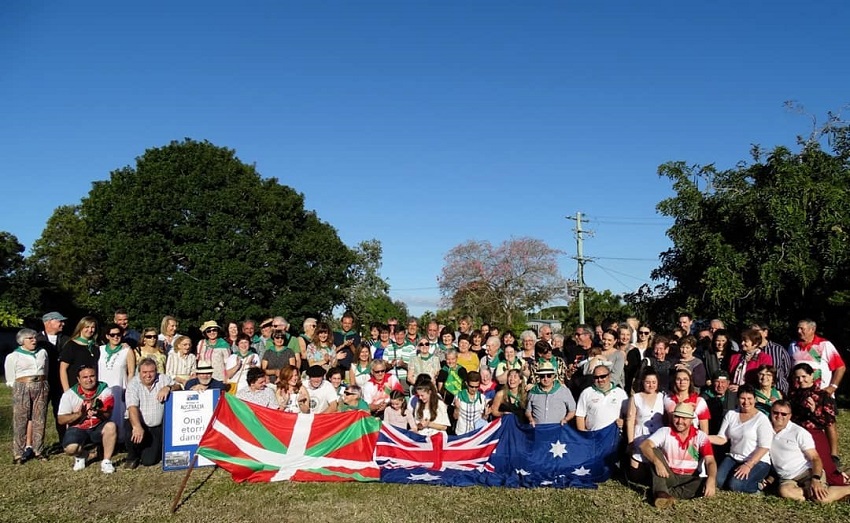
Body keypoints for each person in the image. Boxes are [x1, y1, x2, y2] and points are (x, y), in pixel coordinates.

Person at [788, 319, 846, 464]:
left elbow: (840, 367)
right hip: (800, 392)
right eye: (798, 328)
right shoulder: (793, 346)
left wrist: (833, 386)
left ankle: (833, 454)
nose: (799, 331)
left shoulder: (824, 345)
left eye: (802, 329)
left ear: (812, 329)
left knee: (828, 423)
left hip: (822, 393)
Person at [769, 399, 850, 503]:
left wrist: (815, 479)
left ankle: (846, 489)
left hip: (807, 472)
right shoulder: (766, 430)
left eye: (784, 414)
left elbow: (815, 458)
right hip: (787, 478)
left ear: (789, 416)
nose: (779, 416)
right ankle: (812, 494)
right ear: (771, 412)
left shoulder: (799, 432)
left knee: (821, 499)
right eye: (775, 413)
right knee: (784, 492)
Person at [639, 402, 717, 508]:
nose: (680, 422)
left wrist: (711, 479)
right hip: (668, 474)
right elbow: (644, 446)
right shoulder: (665, 431)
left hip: (689, 476)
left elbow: (710, 461)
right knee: (654, 452)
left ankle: (663, 493)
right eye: (677, 417)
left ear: (691, 420)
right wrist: (657, 462)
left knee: (706, 483)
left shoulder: (701, 436)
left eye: (684, 418)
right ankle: (662, 492)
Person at [787, 363, 848, 486]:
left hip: (814, 433)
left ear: (811, 376)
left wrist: (814, 411)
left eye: (804, 376)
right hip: (796, 434)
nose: (801, 380)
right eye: (797, 378)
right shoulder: (793, 395)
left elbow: (828, 422)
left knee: (828, 471)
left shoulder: (822, 395)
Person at [708, 385, 772, 493]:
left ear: (755, 399)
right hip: (734, 457)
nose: (746, 402)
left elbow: (764, 447)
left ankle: (759, 485)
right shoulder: (731, 414)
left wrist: (748, 465)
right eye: (743, 398)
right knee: (718, 482)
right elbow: (722, 438)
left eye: (749, 399)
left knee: (735, 485)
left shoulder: (762, 419)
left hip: (757, 461)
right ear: (738, 399)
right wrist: (702, 437)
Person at [57, 364, 117, 473]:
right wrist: (79, 415)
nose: (89, 380)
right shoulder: (69, 395)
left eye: (92, 376)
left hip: (97, 426)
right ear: (78, 379)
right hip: (77, 427)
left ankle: (106, 461)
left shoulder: (105, 391)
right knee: (70, 449)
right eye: (85, 377)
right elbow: (61, 419)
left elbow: (108, 414)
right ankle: (82, 455)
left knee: (111, 426)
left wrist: (98, 413)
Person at [124, 358, 181, 468]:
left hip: (156, 426)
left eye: (151, 372)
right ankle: (133, 456)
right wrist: (137, 426)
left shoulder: (163, 379)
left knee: (149, 461)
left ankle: (147, 451)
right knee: (131, 431)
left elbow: (179, 387)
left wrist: (168, 387)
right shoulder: (133, 384)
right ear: (139, 372)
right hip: (138, 422)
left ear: (156, 371)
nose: (148, 375)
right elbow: (132, 407)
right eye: (144, 372)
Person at [5, 328, 49, 463]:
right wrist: (19, 388)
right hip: (23, 387)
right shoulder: (13, 356)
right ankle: (19, 452)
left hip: (41, 385)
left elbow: (45, 369)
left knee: (39, 418)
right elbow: (10, 377)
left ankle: (38, 449)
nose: (33, 340)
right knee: (21, 420)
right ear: (22, 341)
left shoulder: (42, 352)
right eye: (30, 338)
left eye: (34, 337)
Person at [625, 368, 665, 485]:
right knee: (636, 477)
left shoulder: (662, 397)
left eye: (654, 382)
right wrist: (631, 442)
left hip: (657, 435)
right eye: (648, 382)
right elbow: (630, 420)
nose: (651, 385)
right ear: (642, 382)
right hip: (640, 434)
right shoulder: (635, 398)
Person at [36, 311, 70, 444]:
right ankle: (36, 444)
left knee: (61, 412)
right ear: (48, 322)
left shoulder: (66, 339)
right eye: (59, 321)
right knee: (38, 414)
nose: (63, 323)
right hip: (42, 382)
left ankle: (64, 440)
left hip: (60, 382)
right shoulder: (36, 340)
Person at [98, 323, 135, 440]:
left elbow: (131, 372)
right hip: (102, 389)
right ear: (107, 336)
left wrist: (128, 390)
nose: (116, 337)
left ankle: (119, 440)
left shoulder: (127, 351)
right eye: (112, 335)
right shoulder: (100, 350)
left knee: (118, 413)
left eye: (118, 334)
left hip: (120, 388)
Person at [575, 362, 628, 431]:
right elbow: (580, 415)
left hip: (614, 435)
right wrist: (583, 434)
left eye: (603, 376)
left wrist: (623, 422)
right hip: (593, 436)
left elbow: (628, 415)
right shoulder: (586, 392)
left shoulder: (620, 393)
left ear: (609, 376)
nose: (600, 380)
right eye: (596, 377)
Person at [526, 362, 577, 427]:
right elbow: (528, 411)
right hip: (539, 430)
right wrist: (531, 419)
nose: (546, 379)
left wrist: (565, 419)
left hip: (558, 429)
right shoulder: (533, 392)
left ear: (553, 376)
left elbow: (572, 410)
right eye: (542, 376)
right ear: (539, 377)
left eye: (549, 375)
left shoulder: (564, 390)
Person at [59, 316, 100, 393]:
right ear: (81, 328)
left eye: (92, 327)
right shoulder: (71, 345)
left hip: (92, 387)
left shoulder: (96, 346)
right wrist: (67, 391)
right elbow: (63, 369)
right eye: (87, 327)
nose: (90, 330)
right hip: (75, 387)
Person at [750, 322, 791, 395]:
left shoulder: (779, 350)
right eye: (751, 332)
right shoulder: (749, 351)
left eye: (756, 331)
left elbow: (787, 370)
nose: (753, 334)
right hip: (757, 391)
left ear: (765, 333)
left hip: (779, 389)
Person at [665, 368, 710, 434]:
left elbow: (704, 429)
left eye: (685, 379)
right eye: (678, 379)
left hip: (692, 440)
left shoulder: (699, 401)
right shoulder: (668, 399)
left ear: (690, 382)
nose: (682, 382)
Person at [727, 329, 772, 393]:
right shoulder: (734, 357)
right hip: (732, 392)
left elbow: (764, 380)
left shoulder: (764, 358)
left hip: (753, 393)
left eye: (745, 341)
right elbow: (729, 376)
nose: (742, 343)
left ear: (755, 343)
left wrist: (741, 388)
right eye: (742, 340)